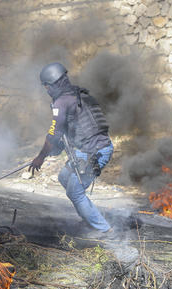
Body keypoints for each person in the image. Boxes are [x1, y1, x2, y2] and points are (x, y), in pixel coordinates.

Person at [28, 62, 115, 238]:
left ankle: (105, 230)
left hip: (94, 152)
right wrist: (57, 148)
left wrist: (40, 158)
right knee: (63, 177)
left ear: (53, 83)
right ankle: (88, 217)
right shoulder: (80, 95)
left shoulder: (62, 102)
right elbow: (75, 130)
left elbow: (53, 134)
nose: (46, 90)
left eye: (46, 86)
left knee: (74, 192)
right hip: (90, 149)